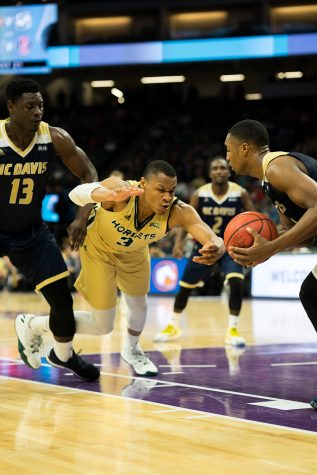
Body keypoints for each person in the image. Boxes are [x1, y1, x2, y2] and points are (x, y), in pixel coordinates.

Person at [63, 159, 224, 376]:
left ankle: (132, 350)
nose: (167, 197)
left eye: (172, 191)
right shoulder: (121, 190)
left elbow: (211, 236)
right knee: (104, 325)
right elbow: (75, 194)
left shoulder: (178, 211)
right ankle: (37, 325)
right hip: (100, 250)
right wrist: (108, 195)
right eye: (161, 190)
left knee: (140, 304)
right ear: (143, 184)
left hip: (134, 252)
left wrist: (217, 248)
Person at [2, 77, 99, 381]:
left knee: (62, 300)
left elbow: (89, 174)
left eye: (40, 105)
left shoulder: (54, 138)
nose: (37, 112)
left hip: (31, 231)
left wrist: (82, 216)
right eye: (29, 106)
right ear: (11, 107)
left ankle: (63, 354)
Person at [224, 118, 317, 408]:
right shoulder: (268, 180)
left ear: (244, 148)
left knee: (313, 294)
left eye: (228, 150)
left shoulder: (277, 167)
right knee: (312, 293)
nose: (226, 157)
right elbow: (298, 232)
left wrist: (271, 247)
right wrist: (260, 248)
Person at [153, 157, 255, 346]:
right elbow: (186, 220)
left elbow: (253, 218)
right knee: (185, 287)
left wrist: (252, 241)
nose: (219, 171)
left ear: (228, 172)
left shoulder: (240, 193)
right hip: (204, 246)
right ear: (210, 173)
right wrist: (179, 242)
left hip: (231, 248)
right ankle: (173, 325)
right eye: (215, 168)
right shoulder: (200, 193)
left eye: (223, 168)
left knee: (236, 282)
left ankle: (233, 330)